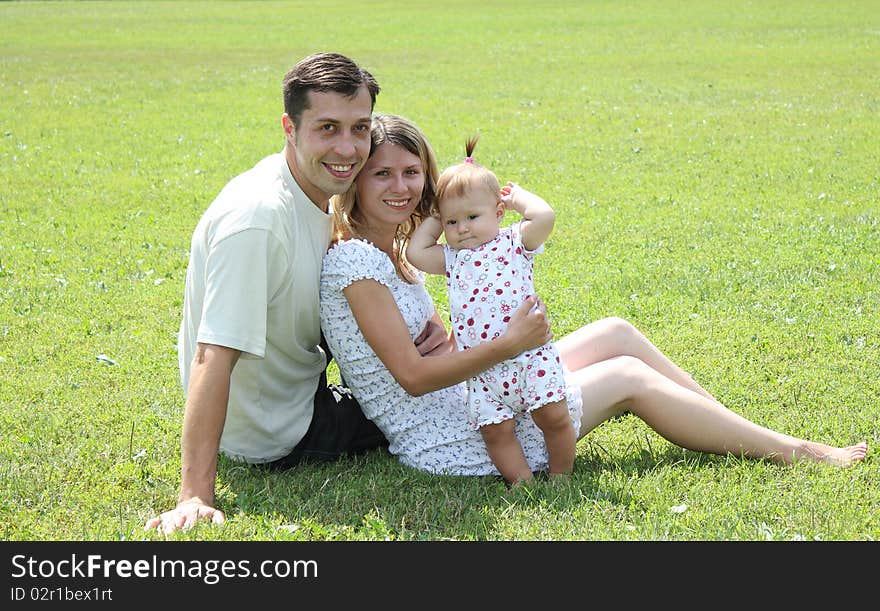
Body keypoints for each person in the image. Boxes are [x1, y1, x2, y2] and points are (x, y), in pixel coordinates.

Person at [320, 113, 868, 482]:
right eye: (382, 174)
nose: (402, 187)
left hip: (471, 385)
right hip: (450, 433)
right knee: (627, 376)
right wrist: (512, 343)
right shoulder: (355, 260)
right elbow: (413, 379)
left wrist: (456, 338)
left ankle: (726, 423)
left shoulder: (394, 248)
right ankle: (798, 452)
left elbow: (432, 342)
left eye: (413, 173)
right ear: (356, 182)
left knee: (615, 331)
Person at [145, 53, 453, 535]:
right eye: (327, 128)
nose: (349, 149)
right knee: (461, 400)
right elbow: (213, 355)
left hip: (301, 393)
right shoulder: (258, 219)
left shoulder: (313, 189)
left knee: (459, 380)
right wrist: (195, 496)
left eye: (359, 128)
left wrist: (421, 323)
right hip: (281, 430)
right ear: (289, 127)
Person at [406, 136, 575, 484]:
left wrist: (518, 198)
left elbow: (545, 216)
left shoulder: (514, 242)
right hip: (483, 372)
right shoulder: (451, 258)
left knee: (554, 418)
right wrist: (439, 215)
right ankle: (521, 483)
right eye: (452, 223)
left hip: (530, 359)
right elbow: (416, 252)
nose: (462, 228)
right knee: (496, 432)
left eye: (471, 216)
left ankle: (561, 476)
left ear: (498, 212)